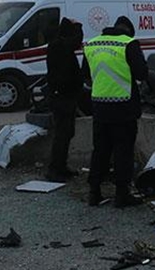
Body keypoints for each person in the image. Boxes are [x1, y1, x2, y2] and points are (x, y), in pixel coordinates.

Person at [82, 16, 148, 208]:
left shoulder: (92, 44)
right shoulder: (129, 44)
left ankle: (94, 193)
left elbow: (85, 75)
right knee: (123, 152)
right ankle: (122, 195)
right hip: (123, 107)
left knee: (100, 151)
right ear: (128, 30)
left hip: (99, 107)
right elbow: (141, 73)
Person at [43, 17, 83, 182]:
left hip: (65, 96)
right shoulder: (59, 46)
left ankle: (61, 166)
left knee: (66, 133)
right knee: (62, 134)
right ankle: (55, 169)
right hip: (62, 97)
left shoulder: (59, 46)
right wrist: (78, 27)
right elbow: (75, 42)